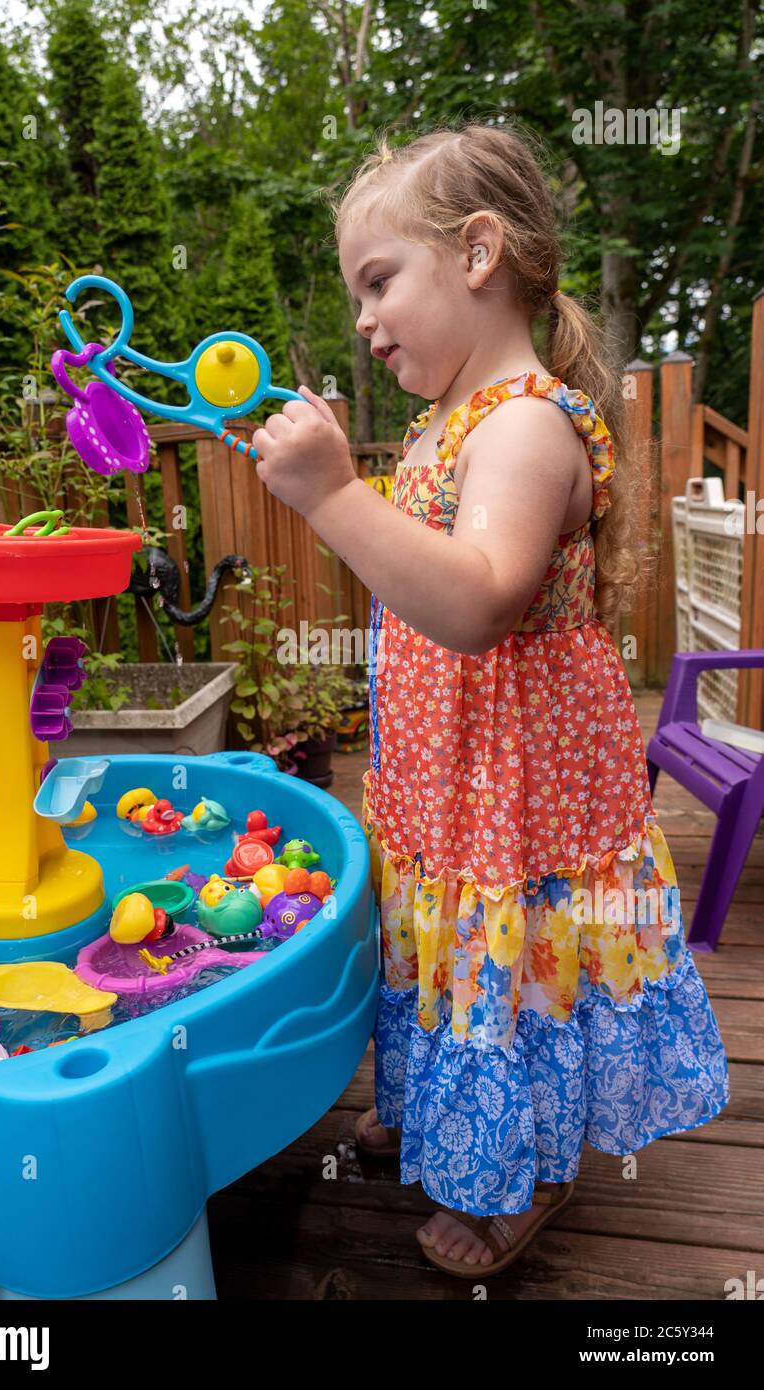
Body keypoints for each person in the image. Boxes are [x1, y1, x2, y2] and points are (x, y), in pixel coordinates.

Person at [251, 119, 730, 1279]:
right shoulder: (441, 424)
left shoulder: (522, 422)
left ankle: (534, 1160)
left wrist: (328, 496)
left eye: (378, 281)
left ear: (476, 252)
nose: (363, 319)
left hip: (522, 789)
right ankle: (444, 1110)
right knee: (453, 949)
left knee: (514, 965)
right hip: (445, 775)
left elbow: (475, 602)